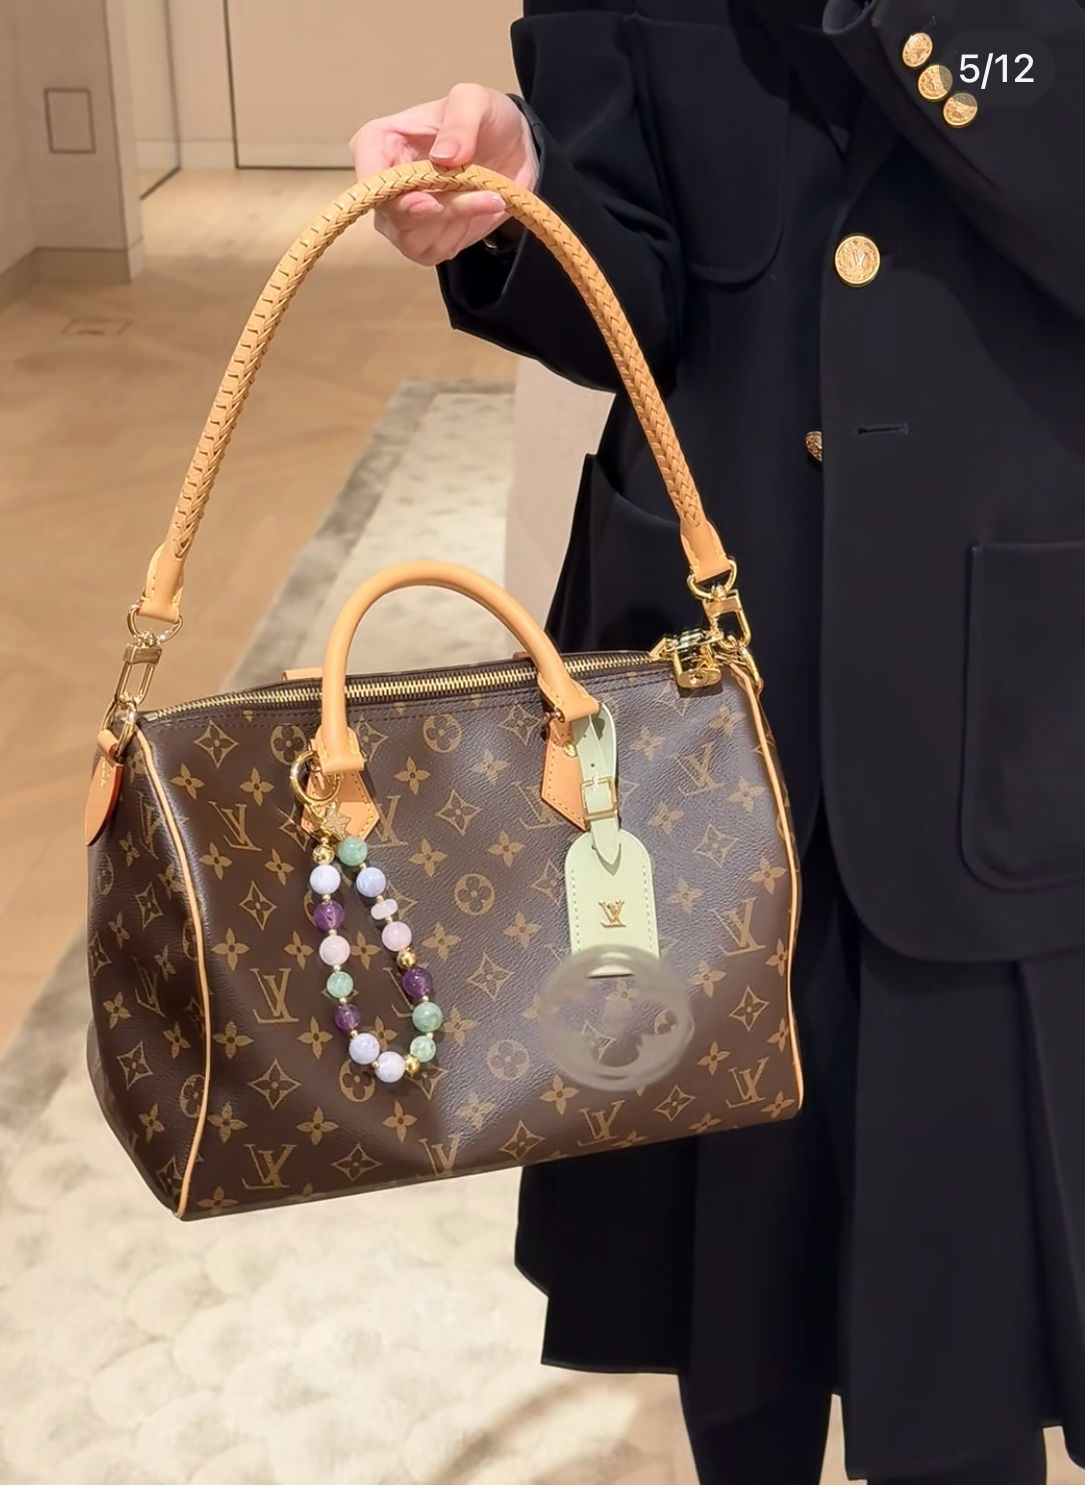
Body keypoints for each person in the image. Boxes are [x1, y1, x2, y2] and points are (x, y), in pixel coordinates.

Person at [350, 3, 1085, 1481]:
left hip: (1009, 658)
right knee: (733, 1302)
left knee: (976, 1317)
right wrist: (525, 195)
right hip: (714, 681)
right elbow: (642, 297)